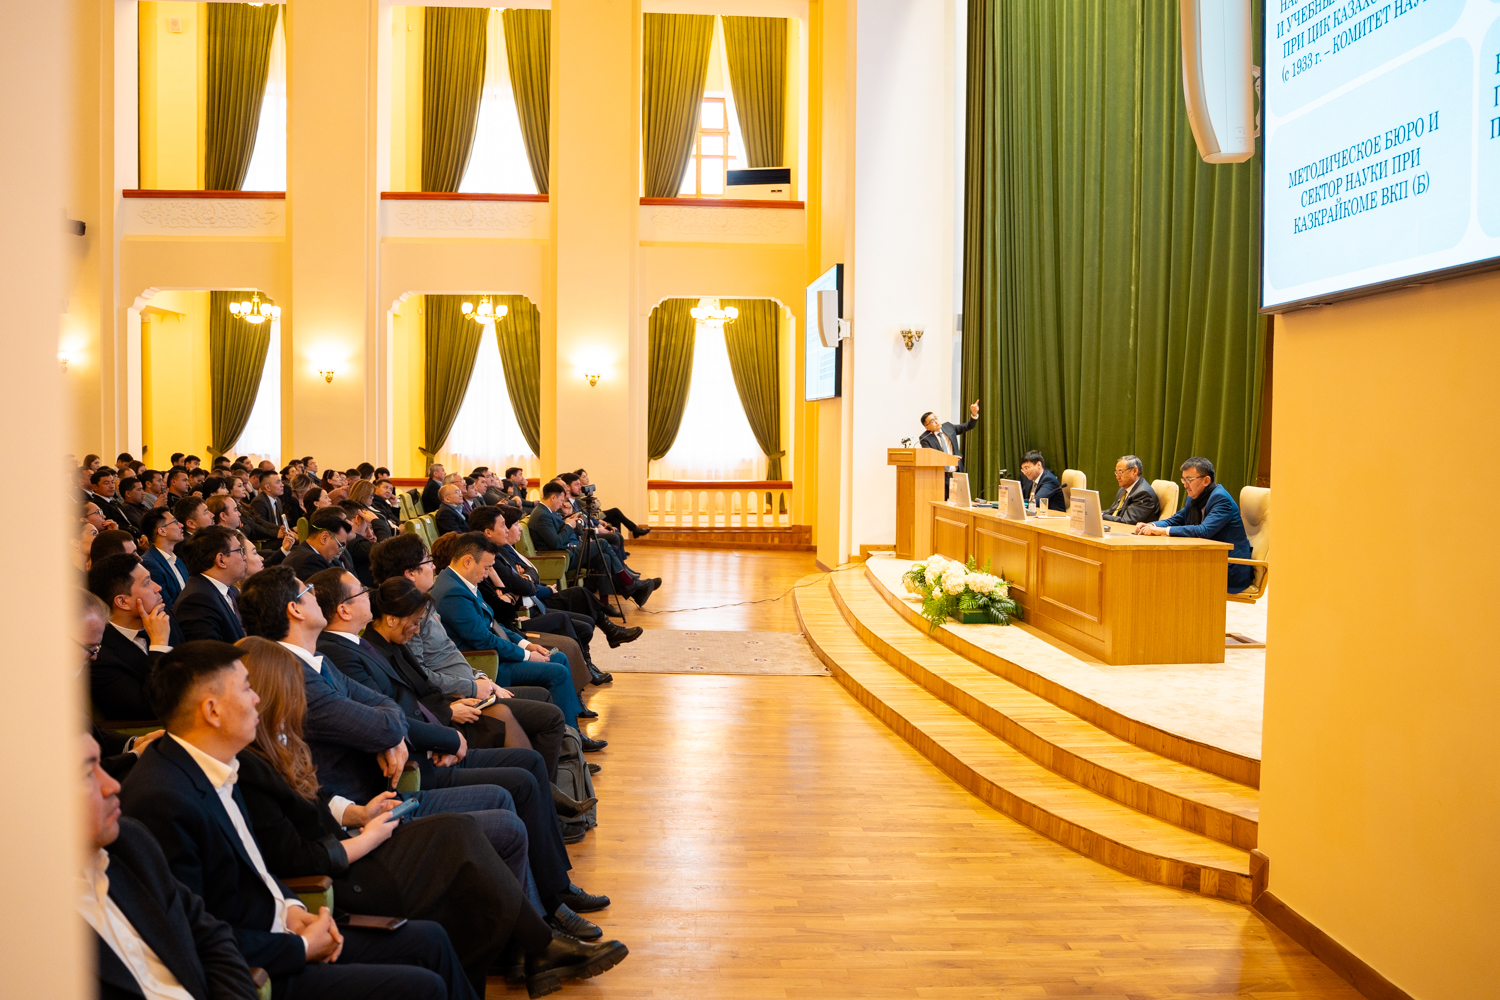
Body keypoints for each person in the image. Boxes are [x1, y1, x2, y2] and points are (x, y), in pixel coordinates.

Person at [232, 638, 627, 994]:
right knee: (465, 831)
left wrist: (358, 812)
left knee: (481, 825)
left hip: (357, 831)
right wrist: (365, 835)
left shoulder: (276, 742)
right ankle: (539, 942)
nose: (302, 699)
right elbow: (295, 855)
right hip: (344, 874)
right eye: (248, 690)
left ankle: (534, 942)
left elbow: (322, 793)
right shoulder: (252, 764)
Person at [234, 568, 609, 941]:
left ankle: (545, 913)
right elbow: (387, 719)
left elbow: (387, 707)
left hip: (383, 787)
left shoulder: (320, 660)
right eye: (309, 591)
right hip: (374, 801)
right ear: (295, 609)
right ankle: (538, 929)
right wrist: (402, 735)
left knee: (517, 782)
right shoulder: (303, 674)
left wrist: (393, 731)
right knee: (510, 799)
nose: (318, 597)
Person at [118, 641, 479, 1000]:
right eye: (245, 689)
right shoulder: (162, 799)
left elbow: (257, 869)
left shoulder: (221, 762)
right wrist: (301, 946)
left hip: (287, 928)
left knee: (431, 940)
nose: (257, 698)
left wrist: (291, 909)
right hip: (260, 971)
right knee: (424, 984)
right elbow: (195, 935)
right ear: (212, 711)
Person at [367, 533, 571, 777]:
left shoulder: (423, 603)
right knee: (547, 712)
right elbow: (421, 678)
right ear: (410, 573)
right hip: (456, 696)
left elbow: (457, 649)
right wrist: (473, 688)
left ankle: (554, 774)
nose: (434, 567)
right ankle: (546, 782)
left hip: (470, 681)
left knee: (545, 699)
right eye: (427, 562)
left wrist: (481, 677)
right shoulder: (405, 617)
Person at [78, 731, 261, 1000]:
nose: (112, 785)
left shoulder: (130, 843)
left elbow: (213, 938)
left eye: (101, 767)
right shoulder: (33, 929)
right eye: (87, 774)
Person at [430, 533, 592, 735]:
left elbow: (493, 624)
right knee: (557, 672)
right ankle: (570, 735)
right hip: (485, 661)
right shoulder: (453, 592)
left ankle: (572, 726)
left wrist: (526, 645)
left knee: (558, 657)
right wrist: (527, 655)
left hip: (492, 653)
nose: (488, 574)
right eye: (487, 568)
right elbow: (483, 639)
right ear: (468, 561)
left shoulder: (462, 582)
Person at [1134, 456, 1254, 593]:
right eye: (1183, 480)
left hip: (1229, 567)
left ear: (1206, 480)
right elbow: (1176, 519)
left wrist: (1163, 531)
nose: (1185, 485)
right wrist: (1151, 525)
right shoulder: (1193, 497)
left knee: (1169, 573)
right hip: (1208, 560)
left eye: (1189, 480)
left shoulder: (1221, 499)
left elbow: (1204, 531)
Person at [527, 483, 656, 605]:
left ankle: (606, 603)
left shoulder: (549, 511)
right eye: (561, 500)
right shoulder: (542, 515)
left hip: (569, 549)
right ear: (553, 497)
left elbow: (560, 531)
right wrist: (568, 526)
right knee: (603, 543)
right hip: (561, 556)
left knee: (604, 557)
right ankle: (628, 583)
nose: (562, 504)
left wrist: (568, 518)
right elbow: (556, 543)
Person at [88, 553, 180, 721]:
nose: (158, 587)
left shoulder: (162, 615)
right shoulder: (99, 655)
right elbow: (147, 708)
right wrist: (159, 644)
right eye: (147, 583)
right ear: (123, 602)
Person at [174, 526, 249, 643]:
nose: (244, 557)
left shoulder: (230, 590)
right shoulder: (196, 603)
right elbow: (211, 652)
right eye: (239, 551)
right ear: (221, 560)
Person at [918, 400, 981, 496]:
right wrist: (950, 459)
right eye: (932, 421)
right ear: (927, 427)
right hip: (941, 478)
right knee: (943, 503)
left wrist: (974, 414)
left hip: (957, 475)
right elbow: (931, 458)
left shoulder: (948, 427)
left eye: (936, 418)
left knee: (960, 502)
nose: (936, 421)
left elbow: (968, 426)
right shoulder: (925, 438)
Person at [573, 469, 648, 539]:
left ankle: (620, 542)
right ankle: (634, 529)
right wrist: (596, 502)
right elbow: (595, 504)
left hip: (598, 513)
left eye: (587, 476)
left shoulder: (587, 490)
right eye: (584, 477)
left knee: (616, 519)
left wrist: (596, 502)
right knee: (615, 511)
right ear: (578, 479)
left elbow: (598, 502)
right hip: (595, 516)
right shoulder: (580, 493)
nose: (587, 478)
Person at [141, 507, 191, 610]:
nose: (181, 525)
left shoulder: (176, 560)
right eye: (175, 522)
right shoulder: (149, 564)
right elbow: (166, 606)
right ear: (162, 531)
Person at [283, 508, 351, 580]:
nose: (340, 552)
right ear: (324, 538)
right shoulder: (312, 560)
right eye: (340, 545)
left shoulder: (302, 552)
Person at [1102, 455, 1162, 524]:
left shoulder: (1143, 494)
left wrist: (1101, 516)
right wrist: (1098, 513)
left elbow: (1126, 521)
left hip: (1131, 529)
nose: (1117, 477)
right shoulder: (1124, 489)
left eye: (1120, 472)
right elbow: (1111, 511)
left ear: (1135, 471)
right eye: (1116, 473)